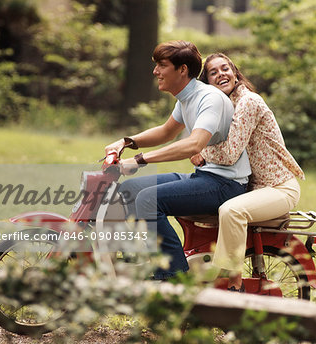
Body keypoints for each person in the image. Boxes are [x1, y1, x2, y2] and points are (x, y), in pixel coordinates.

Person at [105, 42, 251, 280]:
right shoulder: (187, 98)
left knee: (149, 199)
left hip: (226, 185)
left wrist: (140, 160)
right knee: (129, 190)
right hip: (204, 177)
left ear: (182, 70)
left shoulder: (209, 98)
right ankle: (139, 257)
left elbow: (194, 144)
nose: (155, 72)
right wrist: (126, 142)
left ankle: (174, 275)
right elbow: (165, 132)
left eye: (162, 66)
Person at [193, 53, 305, 291]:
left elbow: (230, 153)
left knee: (231, 211)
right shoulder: (226, 105)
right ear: (207, 82)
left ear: (235, 73)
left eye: (225, 68)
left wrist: (201, 151)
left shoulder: (248, 102)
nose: (221, 74)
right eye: (213, 72)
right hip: (255, 188)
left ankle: (234, 285)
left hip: (279, 187)